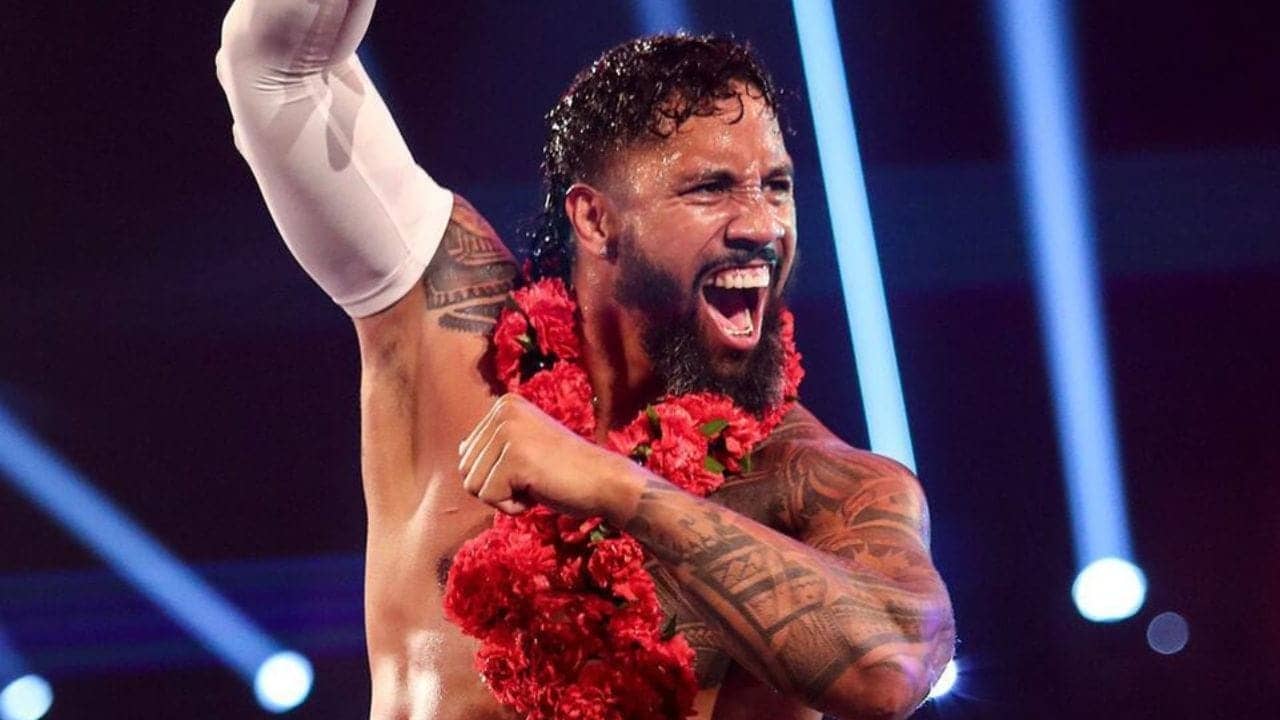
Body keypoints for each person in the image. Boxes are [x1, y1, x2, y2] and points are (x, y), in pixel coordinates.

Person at [216, 1, 954, 718]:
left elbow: (892, 672)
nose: (763, 225)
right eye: (711, 188)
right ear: (595, 219)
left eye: (777, 186)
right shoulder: (452, 330)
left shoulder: (816, 482)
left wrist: (612, 486)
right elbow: (281, 70)